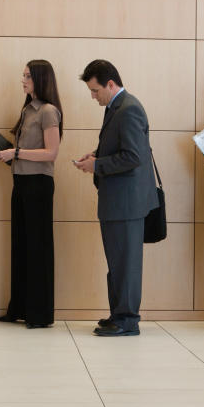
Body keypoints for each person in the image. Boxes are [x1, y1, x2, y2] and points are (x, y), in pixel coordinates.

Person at [73, 60, 158, 337]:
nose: (93, 96)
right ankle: (118, 314)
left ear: (111, 84)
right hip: (117, 201)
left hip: (127, 203)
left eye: (96, 90)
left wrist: (97, 166)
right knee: (117, 263)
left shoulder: (129, 108)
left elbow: (133, 157)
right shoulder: (116, 107)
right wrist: (96, 157)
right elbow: (119, 149)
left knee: (127, 264)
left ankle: (128, 320)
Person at [0, 60, 63, 329]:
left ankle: (40, 314)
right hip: (20, 182)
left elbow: (51, 153)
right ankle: (19, 308)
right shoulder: (27, 111)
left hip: (39, 185)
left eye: (28, 76)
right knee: (20, 246)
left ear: (41, 79)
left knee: (38, 249)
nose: (23, 80)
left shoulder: (48, 111)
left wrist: (16, 153)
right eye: (22, 75)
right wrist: (7, 153)